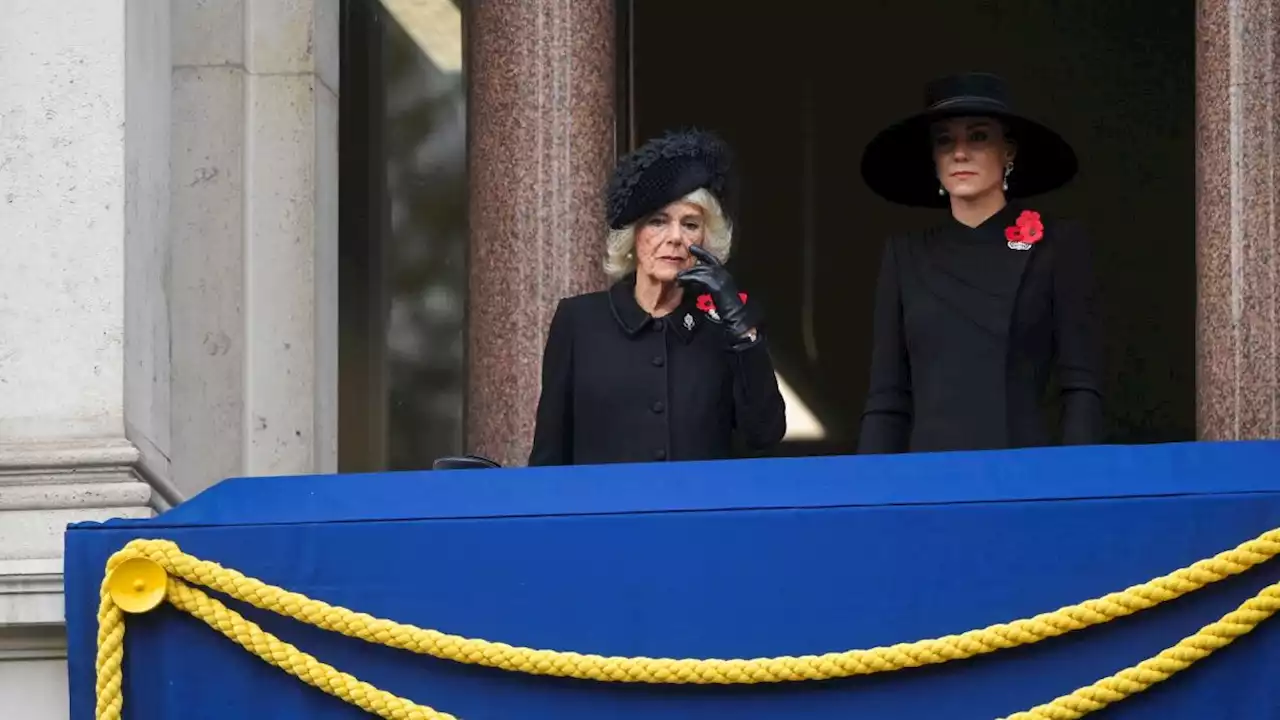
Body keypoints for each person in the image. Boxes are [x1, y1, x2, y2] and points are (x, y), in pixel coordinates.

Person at [856, 72, 1104, 454]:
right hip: (928, 481)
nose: (959, 153)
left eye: (978, 136)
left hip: (1024, 475)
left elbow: (1081, 384)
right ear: (934, 159)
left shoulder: (1057, 245)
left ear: (1009, 151)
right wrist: (868, 501)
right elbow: (887, 400)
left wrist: (1077, 484)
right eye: (944, 141)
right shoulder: (903, 254)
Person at [527, 129, 786, 466]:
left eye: (690, 224)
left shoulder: (727, 324)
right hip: (604, 516)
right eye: (658, 222)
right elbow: (549, 455)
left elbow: (764, 434)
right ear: (634, 237)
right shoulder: (579, 321)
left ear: (705, 239)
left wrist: (740, 325)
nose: (676, 238)